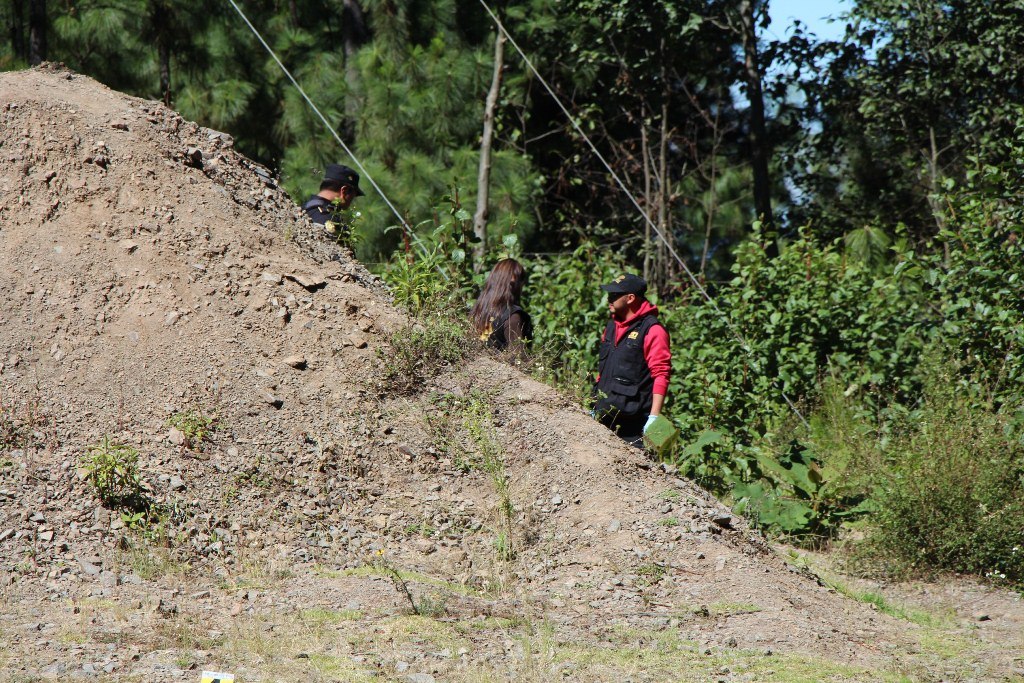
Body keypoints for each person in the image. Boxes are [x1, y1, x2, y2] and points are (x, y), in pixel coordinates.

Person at [593, 273, 671, 447]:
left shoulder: (653, 330)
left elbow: (661, 374)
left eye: (614, 295)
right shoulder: (611, 326)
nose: (609, 299)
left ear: (630, 298)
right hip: (603, 419)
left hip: (633, 429)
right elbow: (604, 368)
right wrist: (594, 401)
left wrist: (654, 418)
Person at [470, 259, 532, 357]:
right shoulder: (513, 317)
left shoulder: (477, 311)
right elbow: (519, 359)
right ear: (514, 283)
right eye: (521, 282)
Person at [302, 163, 365, 236]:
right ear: (344, 191)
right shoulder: (330, 221)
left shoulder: (303, 209)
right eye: (352, 196)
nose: (351, 201)